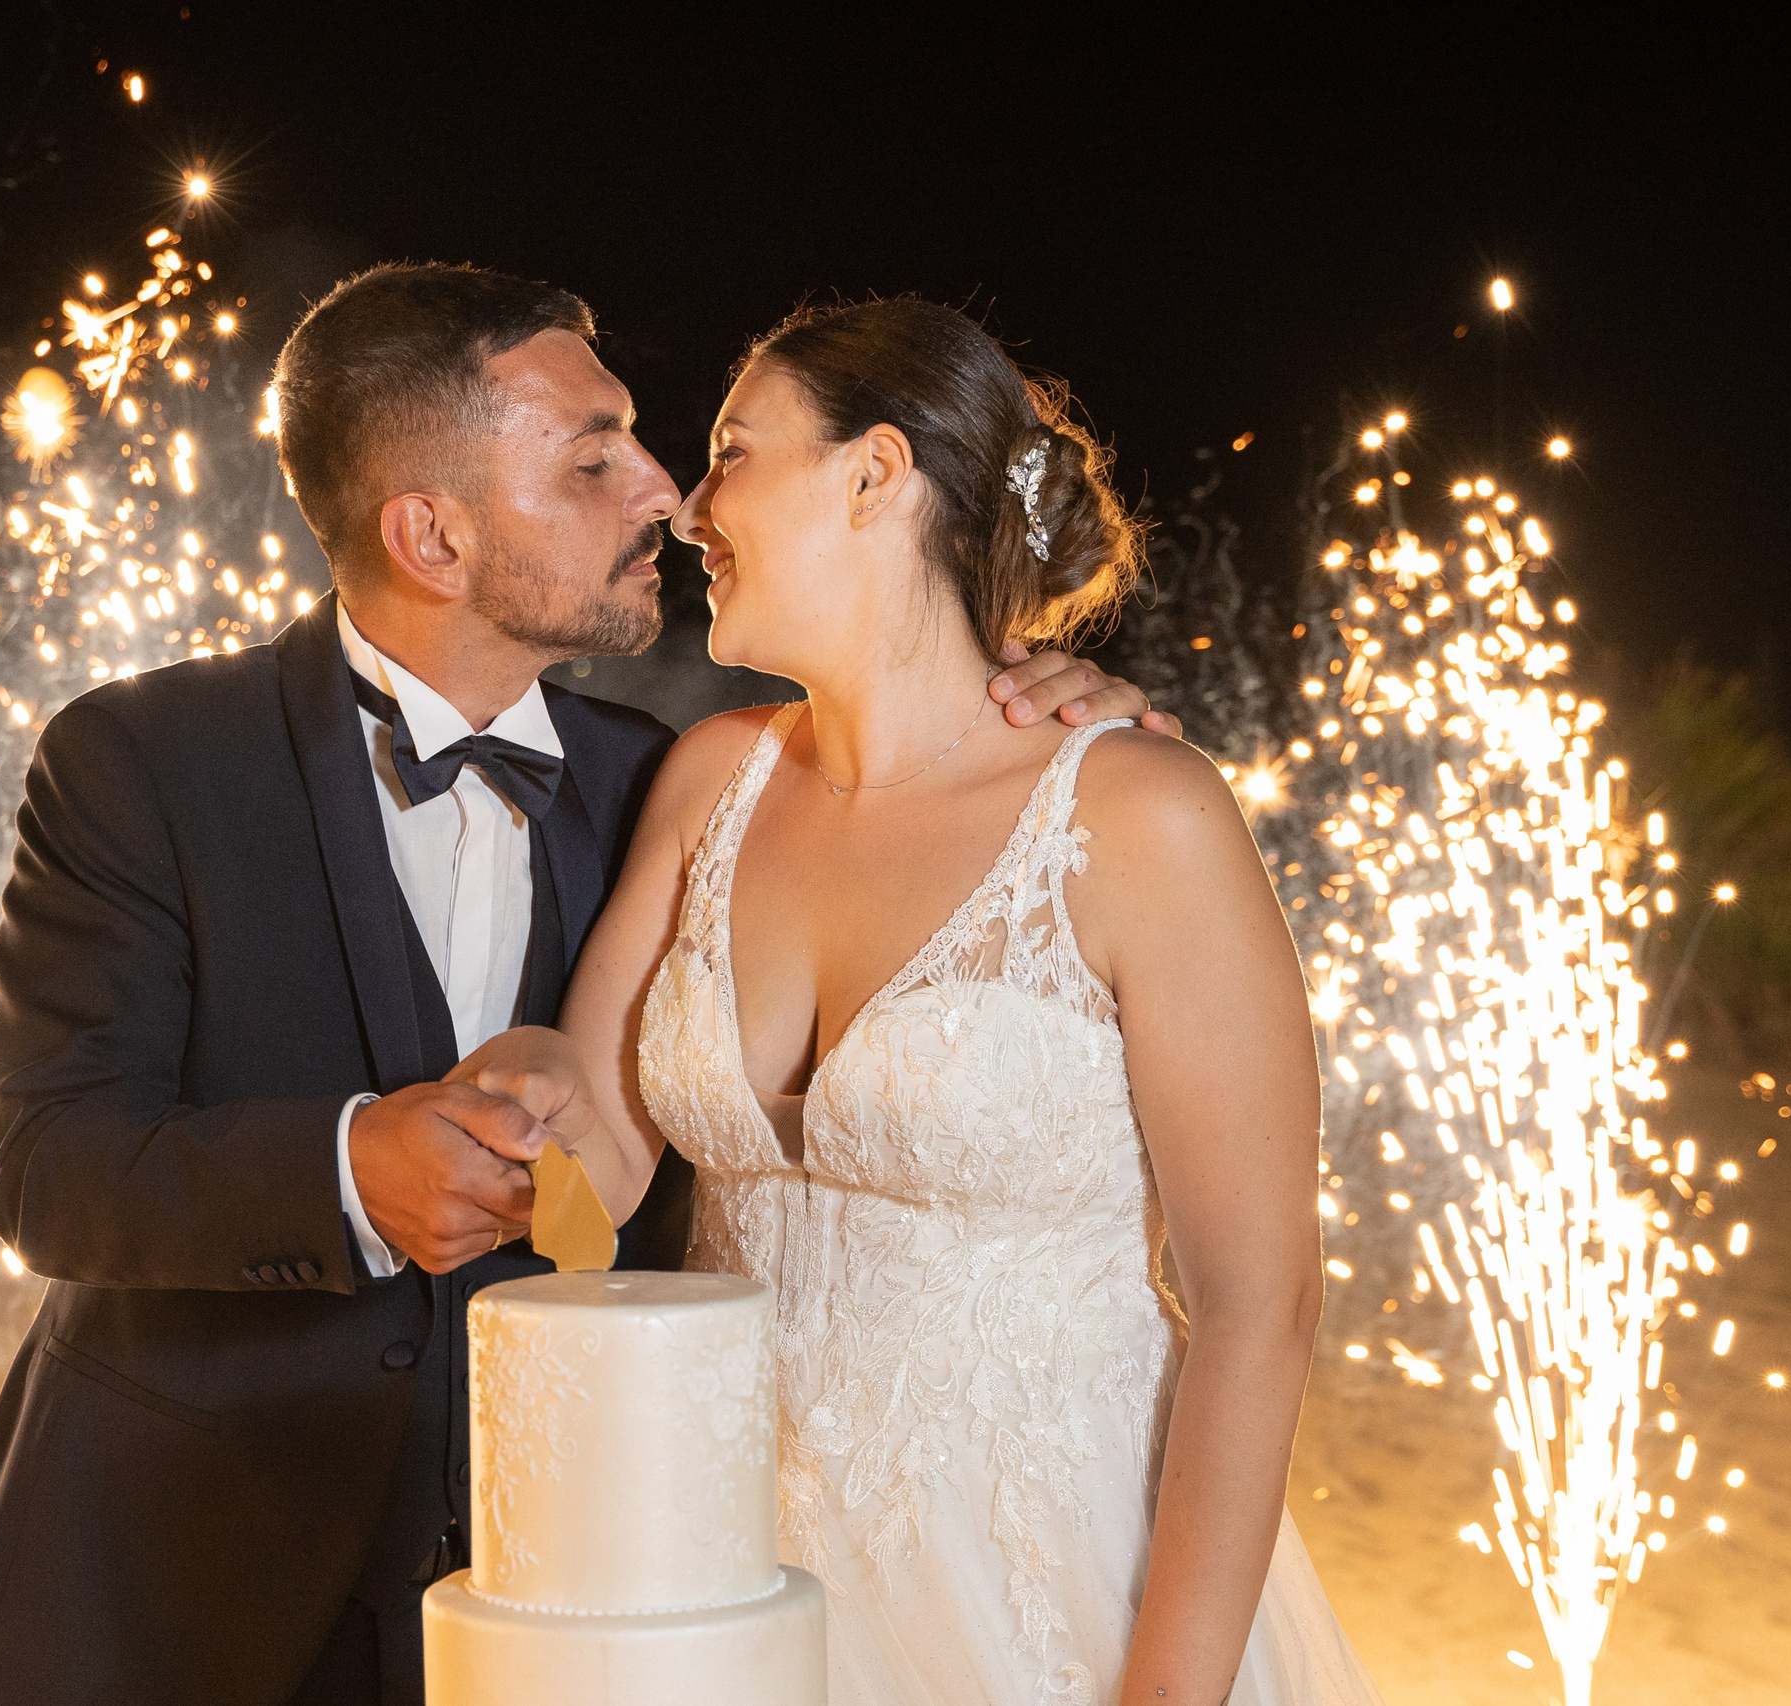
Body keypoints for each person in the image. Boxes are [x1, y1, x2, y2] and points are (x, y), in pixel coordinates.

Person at [0, 266, 1164, 1706]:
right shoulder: (137, 761)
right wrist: (341, 1169)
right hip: (175, 1601)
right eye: (594, 459)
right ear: (430, 533)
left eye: (647, 441)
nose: (666, 493)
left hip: (583, 1602)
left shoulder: (685, 788)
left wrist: (1037, 701)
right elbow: (53, 1167)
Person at [458, 298, 1384, 1704]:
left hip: (1051, 1597)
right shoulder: (713, 779)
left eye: (732, 453)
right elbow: (599, 1155)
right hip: (728, 1583)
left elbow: (1259, 1301)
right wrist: (519, 1088)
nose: (692, 507)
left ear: (875, 476)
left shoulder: (1140, 815)